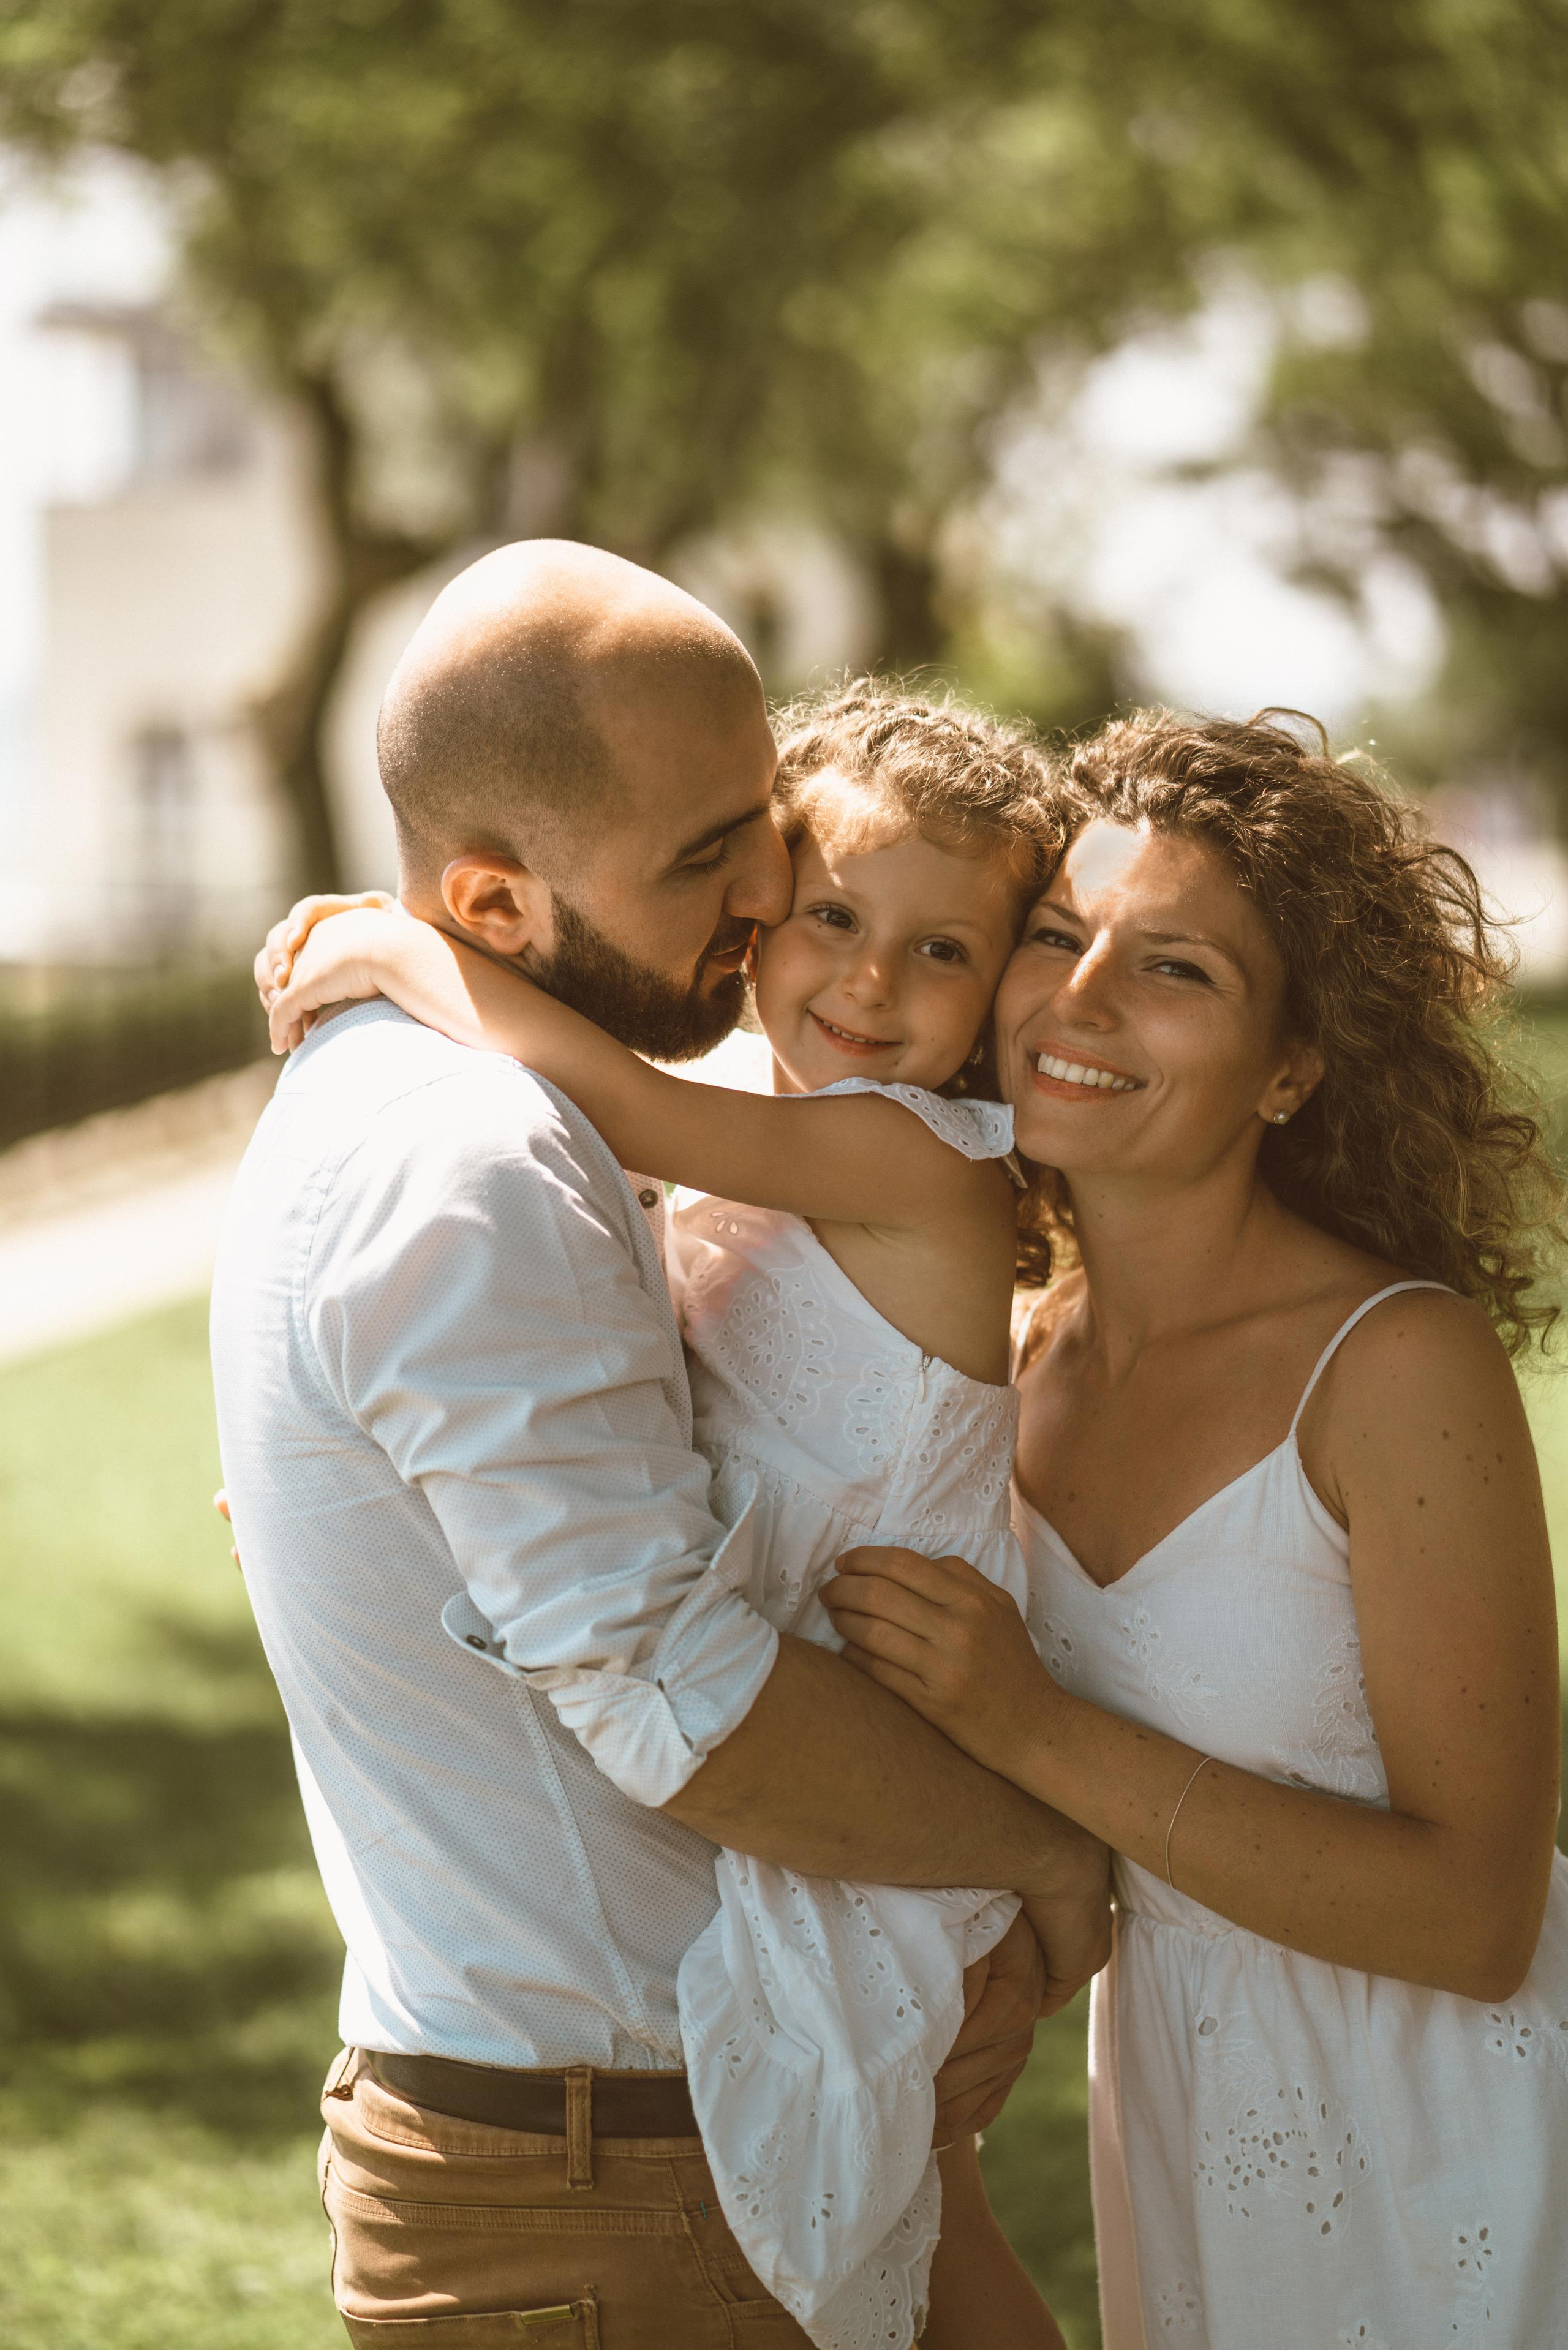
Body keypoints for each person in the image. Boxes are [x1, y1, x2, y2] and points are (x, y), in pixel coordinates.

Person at [211, 541, 1109, 2350]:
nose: (774, 888)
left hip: (661, 2116)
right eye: (715, 855)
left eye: (761, 821)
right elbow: (684, 1701)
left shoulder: (518, 1119)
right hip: (604, 2179)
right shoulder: (476, 1158)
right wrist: (1046, 1851)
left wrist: (395, 949)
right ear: (497, 896)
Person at [823, 709, 1568, 2349]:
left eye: (1176, 971)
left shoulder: (1392, 1367)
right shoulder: (1006, 1360)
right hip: (1188, 2127)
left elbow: (1478, 1913)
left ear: (1295, 1068)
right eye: (1060, 937)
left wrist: (1036, 1724)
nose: (1077, 1003)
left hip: (1459, 2154)